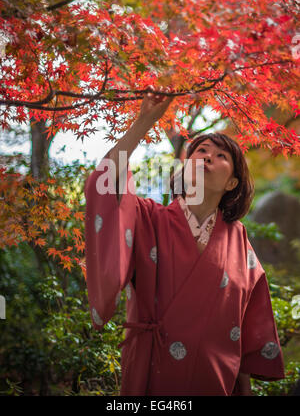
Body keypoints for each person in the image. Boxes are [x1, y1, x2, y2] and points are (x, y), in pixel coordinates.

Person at [84, 92, 285, 396]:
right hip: (153, 370)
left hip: (215, 379)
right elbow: (107, 183)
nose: (207, 157)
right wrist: (144, 122)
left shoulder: (239, 241)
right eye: (200, 151)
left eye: (221, 156)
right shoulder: (149, 218)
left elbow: (244, 326)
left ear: (232, 182)